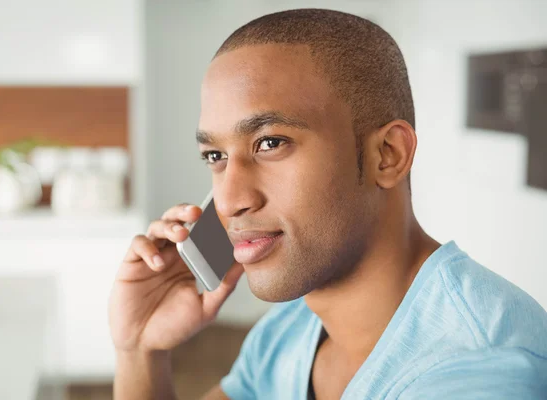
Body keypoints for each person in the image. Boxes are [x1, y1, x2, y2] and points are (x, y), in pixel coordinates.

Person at [108, 8, 547, 400]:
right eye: (216, 156)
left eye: (270, 142)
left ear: (387, 155)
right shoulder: (288, 333)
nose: (228, 201)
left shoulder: (482, 373)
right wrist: (140, 350)